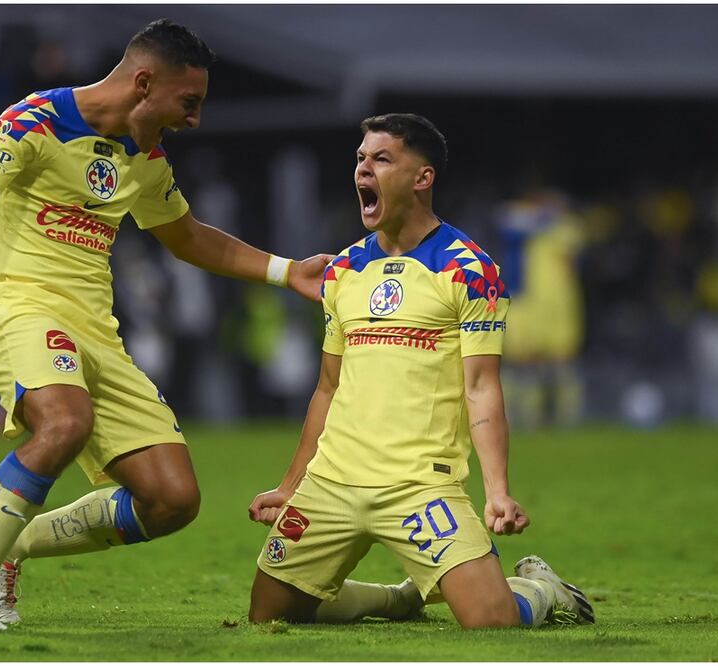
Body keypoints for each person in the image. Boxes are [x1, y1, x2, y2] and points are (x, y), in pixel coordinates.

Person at [0, 19, 330, 630]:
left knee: (171, 499)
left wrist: (286, 271)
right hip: (24, 308)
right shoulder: (36, 120)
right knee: (64, 422)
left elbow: (187, 237)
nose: (194, 120)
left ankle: (5, 545)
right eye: (189, 102)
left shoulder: (145, 158)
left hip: (98, 334)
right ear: (144, 83)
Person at [246, 114, 595, 629]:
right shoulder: (343, 269)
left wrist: (497, 490)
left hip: (419, 487)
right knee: (270, 616)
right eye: (360, 159)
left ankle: (542, 590)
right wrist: (289, 485)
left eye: (381, 159)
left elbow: (481, 387)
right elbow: (328, 387)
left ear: (422, 177)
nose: (363, 169)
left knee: (491, 622)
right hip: (333, 482)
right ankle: (397, 600)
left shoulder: (469, 270)